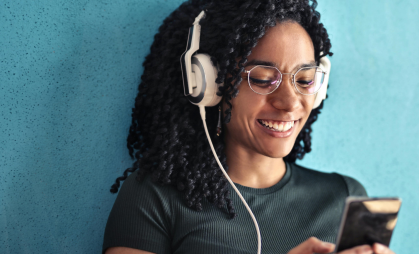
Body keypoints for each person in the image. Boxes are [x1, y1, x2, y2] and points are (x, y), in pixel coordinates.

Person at [103, 0, 396, 254]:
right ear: (206, 84)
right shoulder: (154, 198)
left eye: (305, 80)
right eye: (263, 78)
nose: (290, 103)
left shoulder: (346, 197)